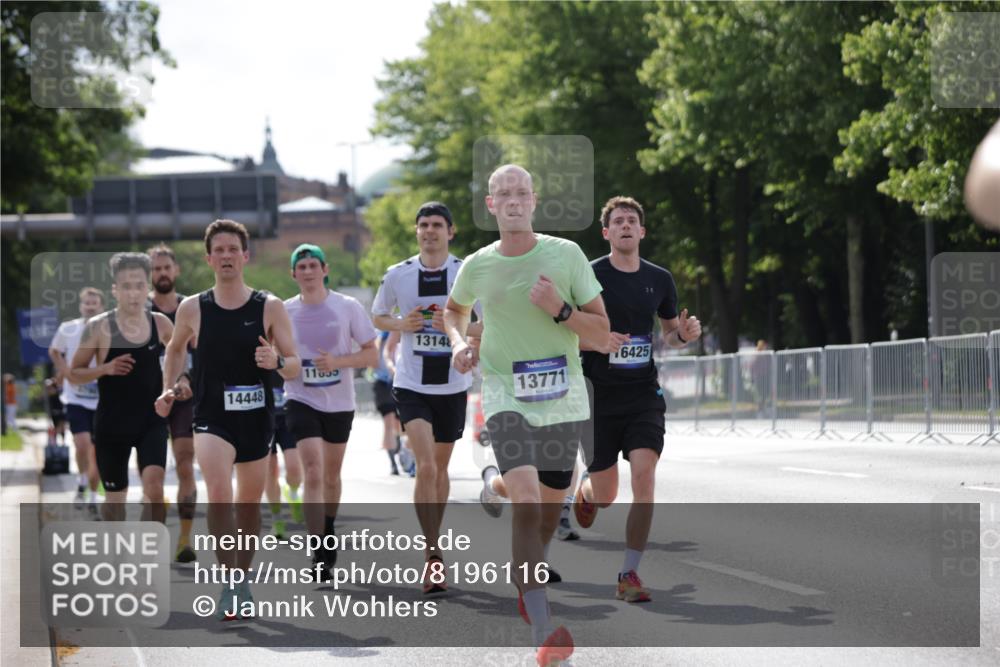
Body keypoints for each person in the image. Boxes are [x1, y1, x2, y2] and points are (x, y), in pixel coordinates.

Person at [445, 164, 609, 664]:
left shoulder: (566, 255)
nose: (513, 201)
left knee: (547, 505)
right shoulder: (476, 264)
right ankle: (542, 625)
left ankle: (521, 562)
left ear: (534, 201)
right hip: (503, 392)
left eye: (522, 193)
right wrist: (457, 344)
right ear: (491, 205)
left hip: (562, 399)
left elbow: (602, 334)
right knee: (526, 499)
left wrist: (559, 309)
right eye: (503, 194)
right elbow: (454, 311)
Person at [155, 219, 301, 621]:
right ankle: (230, 582)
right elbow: (174, 350)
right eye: (218, 250)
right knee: (220, 494)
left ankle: (243, 577)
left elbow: (295, 366)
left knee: (248, 504)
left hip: (256, 416)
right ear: (208, 259)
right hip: (211, 417)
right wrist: (168, 389)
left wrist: (277, 360)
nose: (225, 256)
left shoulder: (268, 306)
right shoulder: (193, 308)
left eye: (232, 249)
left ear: (245, 256)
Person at [575, 196, 701, 603]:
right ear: (606, 232)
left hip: (643, 394)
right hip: (597, 397)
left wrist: (682, 334)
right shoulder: (587, 276)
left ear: (642, 232)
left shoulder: (659, 278)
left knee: (644, 477)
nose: (626, 226)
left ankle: (629, 573)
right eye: (618, 221)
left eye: (632, 221)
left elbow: (667, 333)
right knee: (607, 494)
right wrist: (596, 339)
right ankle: (587, 493)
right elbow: (563, 331)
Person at [372, 201, 482, 596]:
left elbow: (487, 324)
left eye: (437, 225)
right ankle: (432, 554)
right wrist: (403, 324)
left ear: (450, 232)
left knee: (440, 467)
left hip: (452, 384)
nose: (429, 230)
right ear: (416, 232)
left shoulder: (465, 273)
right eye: (423, 225)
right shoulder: (399, 275)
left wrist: (457, 325)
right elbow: (378, 316)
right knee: (426, 467)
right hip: (411, 382)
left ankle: (435, 540)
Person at [283, 243, 377, 574]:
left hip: (339, 402)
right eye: (302, 266)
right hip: (300, 398)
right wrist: (282, 365)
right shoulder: (284, 311)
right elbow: (276, 357)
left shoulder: (347, 307)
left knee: (331, 476)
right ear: (293, 274)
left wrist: (337, 361)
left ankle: (328, 527)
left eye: (313, 265)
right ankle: (318, 548)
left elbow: (371, 354)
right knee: (312, 470)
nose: (308, 271)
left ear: (325, 270)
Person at [70, 253, 178, 524]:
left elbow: (180, 360)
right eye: (127, 287)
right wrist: (104, 369)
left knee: (154, 488)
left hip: (151, 421)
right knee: (115, 499)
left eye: (140, 285)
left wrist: (176, 386)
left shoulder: (161, 323)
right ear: (115, 290)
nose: (134, 293)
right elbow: (73, 373)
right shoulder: (98, 327)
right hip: (112, 423)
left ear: (148, 286)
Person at [147, 244, 199, 563]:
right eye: (156, 269)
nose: (162, 273)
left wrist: (188, 380)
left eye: (167, 267)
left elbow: (202, 353)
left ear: (176, 271)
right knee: (151, 475)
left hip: (184, 398)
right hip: (149, 400)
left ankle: (184, 539)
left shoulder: (190, 309)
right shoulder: (140, 313)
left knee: (184, 463)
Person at [49, 287, 106, 511]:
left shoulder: (110, 330)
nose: (90, 307)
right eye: (87, 303)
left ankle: (93, 493)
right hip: (76, 398)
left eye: (95, 303)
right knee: (82, 444)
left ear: (102, 306)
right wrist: (65, 372)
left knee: (98, 450)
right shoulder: (69, 328)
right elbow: (55, 350)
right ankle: (82, 479)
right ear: (81, 306)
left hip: (103, 400)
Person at [264, 372, 302, 539]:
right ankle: (276, 519)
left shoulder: (287, 347)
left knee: (294, 468)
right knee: (270, 471)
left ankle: (292, 492)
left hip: (287, 416)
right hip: (264, 418)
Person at [373, 329, 403, 475]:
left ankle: (400, 447)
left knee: (400, 424)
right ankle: (393, 463)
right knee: (389, 422)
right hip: (383, 383)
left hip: (403, 382)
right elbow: (373, 357)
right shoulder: (380, 334)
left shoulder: (403, 325)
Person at [44, 378, 67, 445]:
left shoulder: (61, 389)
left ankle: (63, 442)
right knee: (56, 428)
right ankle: (55, 443)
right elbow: (51, 391)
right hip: (54, 412)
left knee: (62, 427)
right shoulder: (51, 391)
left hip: (61, 411)